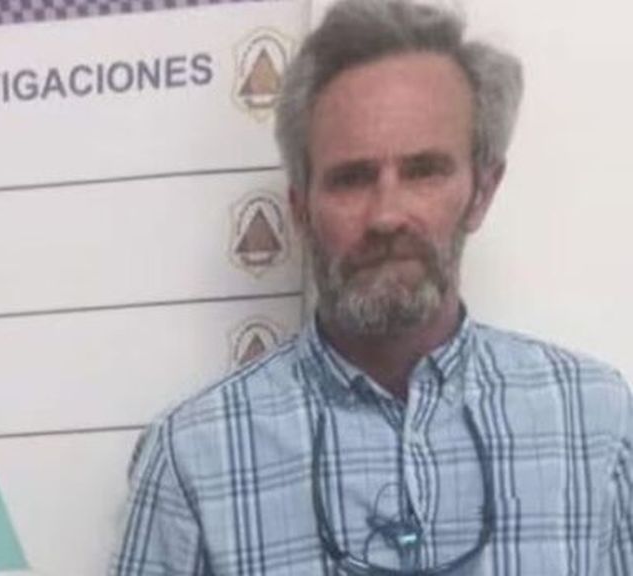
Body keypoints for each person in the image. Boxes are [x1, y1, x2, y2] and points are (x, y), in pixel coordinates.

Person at [110, 0, 633, 574]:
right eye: (352, 179)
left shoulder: (593, 422)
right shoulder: (194, 457)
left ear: (482, 192)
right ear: (301, 209)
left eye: (424, 171)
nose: (386, 215)